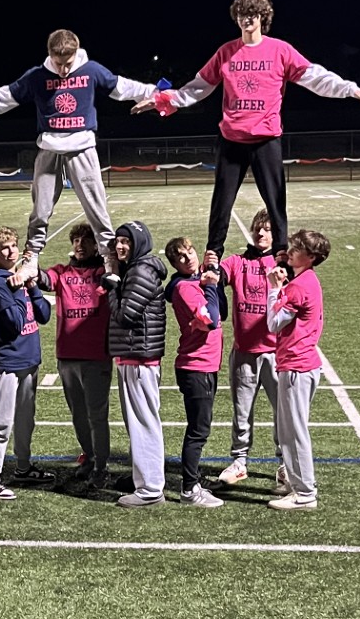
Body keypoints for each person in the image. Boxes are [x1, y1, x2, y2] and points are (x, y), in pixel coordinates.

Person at [136, 0, 360, 262]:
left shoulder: (280, 50)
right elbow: (198, 87)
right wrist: (161, 100)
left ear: (263, 17)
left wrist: (349, 89)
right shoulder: (226, 52)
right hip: (232, 141)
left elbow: (315, 77)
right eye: (242, 13)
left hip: (266, 140)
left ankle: (280, 254)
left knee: (276, 203)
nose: (247, 19)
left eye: (253, 14)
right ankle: (213, 254)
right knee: (222, 203)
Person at [0, 29, 159, 285]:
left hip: (82, 147)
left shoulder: (91, 71)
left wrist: (155, 93)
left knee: (97, 209)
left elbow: (122, 86)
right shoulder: (38, 76)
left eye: (67, 64)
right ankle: (31, 260)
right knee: (40, 210)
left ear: (76, 53)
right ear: (49, 55)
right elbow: (5, 96)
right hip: (49, 147)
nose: (62, 70)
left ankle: (109, 260)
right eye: (58, 63)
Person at [37, 223, 112, 491]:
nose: (79, 245)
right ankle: (90, 458)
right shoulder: (62, 272)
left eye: (85, 240)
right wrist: (29, 260)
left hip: (96, 356)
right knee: (78, 414)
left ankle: (102, 466)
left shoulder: (104, 272)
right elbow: (43, 279)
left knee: (97, 415)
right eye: (76, 239)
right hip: (67, 356)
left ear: (96, 244)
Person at [0, 225, 53, 500]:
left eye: (13, 245)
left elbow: (44, 314)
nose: (10, 252)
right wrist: (21, 287)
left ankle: (23, 467)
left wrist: (31, 286)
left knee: (25, 420)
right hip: (8, 359)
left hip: (30, 358)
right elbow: (14, 323)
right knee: (1, 422)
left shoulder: (20, 278)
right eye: (4, 248)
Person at [106, 221, 168, 508]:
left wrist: (112, 285)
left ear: (139, 243)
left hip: (139, 356)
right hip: (136, 354)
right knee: (142, 422)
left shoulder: (140, 271)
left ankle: (150, 488)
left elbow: (125, 316)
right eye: (118, 240)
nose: (120, 246)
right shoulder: (139, 268)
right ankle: (143, 478)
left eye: (126, 241)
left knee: (144, 423)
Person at [266, 228, 329, 511]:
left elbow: (273, 323)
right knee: (289, 429)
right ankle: (297, 484)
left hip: (296, 367)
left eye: (297, 248)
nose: (291, 251)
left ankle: (304, 492)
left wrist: (273, 289)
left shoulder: (299, 286)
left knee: (294, 432)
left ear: (311, 256)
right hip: (301, 364)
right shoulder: (307, 280)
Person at [216, 209, 279, 489]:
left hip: (277, 353)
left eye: (267, 229)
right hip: (243, 353)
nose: (261, 234)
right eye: (258, 229)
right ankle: (240, 461)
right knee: (241, 413)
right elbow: (217, 274)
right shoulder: (237, 262)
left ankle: (286, 463)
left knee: (283, 414)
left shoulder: (283, 264)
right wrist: (209, 264)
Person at [164, 238, 226, 509]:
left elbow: (221, 310)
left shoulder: (197, 282)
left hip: (206, 365)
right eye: (180, 257)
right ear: (174, 265)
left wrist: (213, 280)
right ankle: (189, 489)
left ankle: (193, 483)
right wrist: (210, 286)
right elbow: (211, 321)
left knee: (201, 428)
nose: (187, 258)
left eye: (189, 252)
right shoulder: (186, 289)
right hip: (195, 366)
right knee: (198, 431)